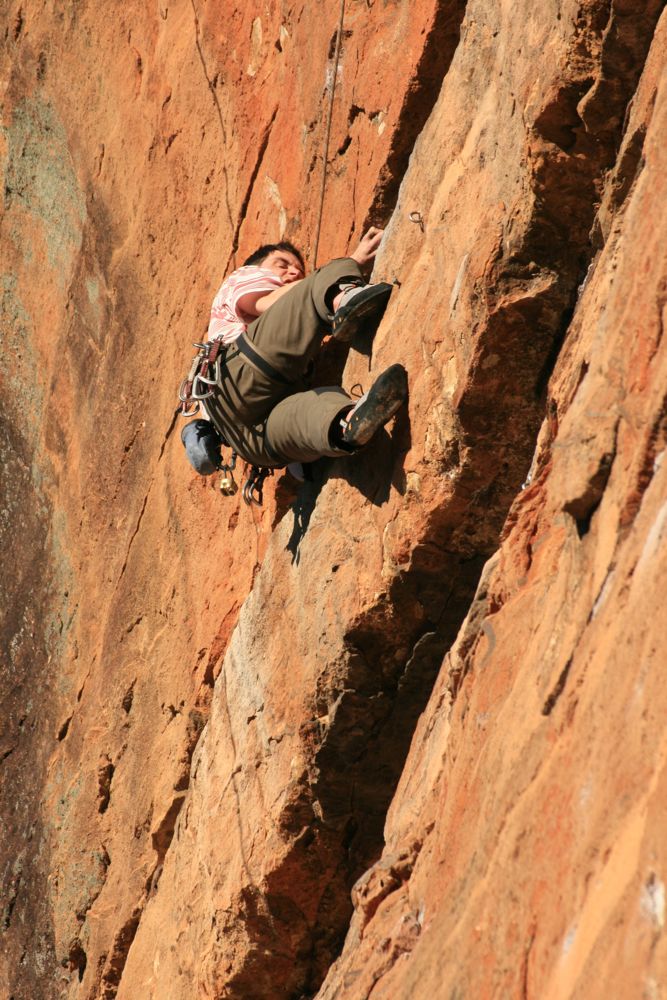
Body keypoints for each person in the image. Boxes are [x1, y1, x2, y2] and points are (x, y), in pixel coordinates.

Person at [181, 228, 407, 477]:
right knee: (321, 280)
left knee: (314, 410)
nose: (294, 272)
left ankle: (347, 422)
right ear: (257, 268)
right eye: (282, 264)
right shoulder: (243, 277)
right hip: (240, 373)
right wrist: (349, 264)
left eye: (299, 269)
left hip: (250, 444)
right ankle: (342, 297)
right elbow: (267, 303)